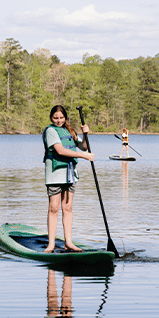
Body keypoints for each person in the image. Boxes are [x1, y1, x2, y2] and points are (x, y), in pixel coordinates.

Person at [42, 105, 94, 253]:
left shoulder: (69, 131)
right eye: (55, 118)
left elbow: (83, 146)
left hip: (70, 174)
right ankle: (51, 244)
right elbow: (60, 150)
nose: (58, 121)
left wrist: (86, 134)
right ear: (51, 118)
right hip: (55, 175)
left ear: (65, 117)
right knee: (54, 208)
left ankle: (69, 242)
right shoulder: (51, 131)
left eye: (61, 118)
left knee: (68, 208)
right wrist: (85, 156)